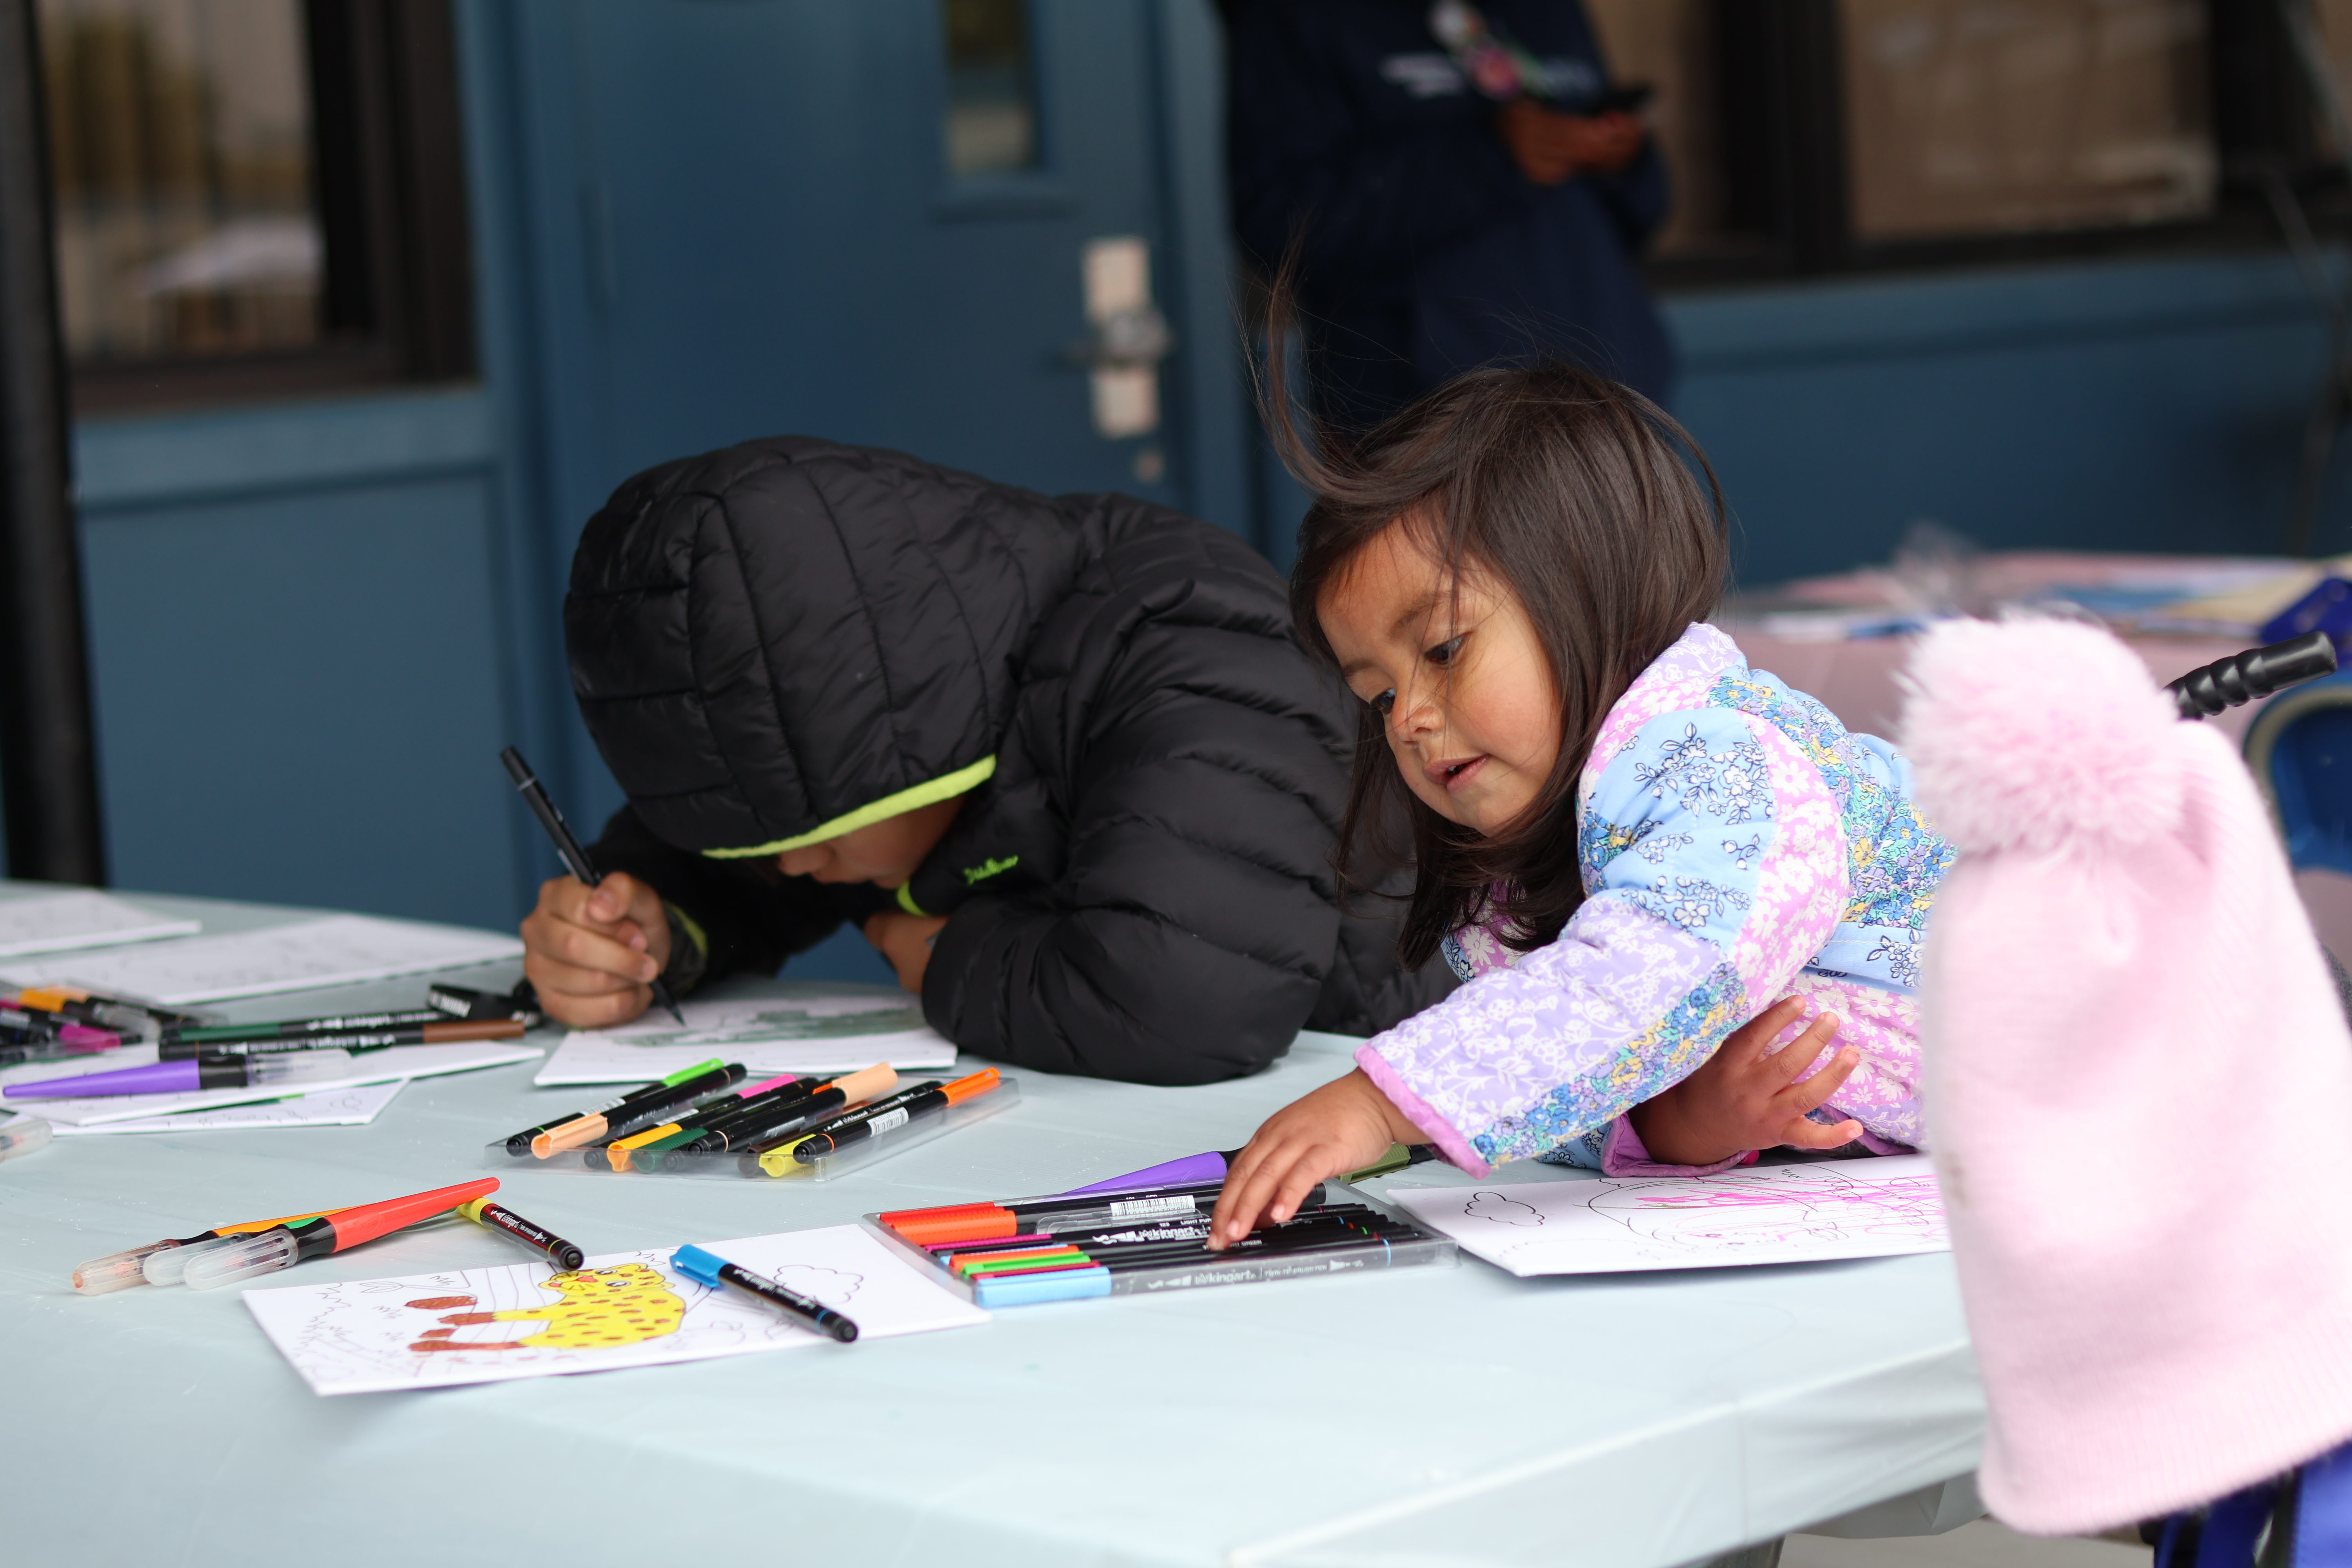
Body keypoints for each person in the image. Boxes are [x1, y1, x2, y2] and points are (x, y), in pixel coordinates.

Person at [1208, 361, 1954, 1244]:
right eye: (1376, 694)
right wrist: (1689, 1122)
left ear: (1595, 592)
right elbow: (1582, 1075)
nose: (1406, 717)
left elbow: (1654, 974)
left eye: (1443, 648)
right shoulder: (1527, 876)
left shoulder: (1717, 759)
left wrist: (1386, 1101)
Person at [519, 436, 1452, 1087]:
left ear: (902, 733)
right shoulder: (885, 723)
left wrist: (945, 961)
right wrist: (642, 926)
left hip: (1445, 1107)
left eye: (814, 840)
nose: (789, 869)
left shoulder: (1191, 642)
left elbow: (1191, 998)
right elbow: (741, 838)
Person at [1227, 0, 1673, 431]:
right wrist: (1491, 156)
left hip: (1606, 401)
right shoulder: (1296, 16)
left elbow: (1642, 214)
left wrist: (1620, 158)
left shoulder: (1547, 9)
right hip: (1423, 423)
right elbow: (1280, 226)